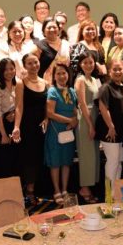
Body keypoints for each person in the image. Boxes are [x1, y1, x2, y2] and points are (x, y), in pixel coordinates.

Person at [12, 53, 48, 205]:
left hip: (41, 127)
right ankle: (27, 192)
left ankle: (33, 190)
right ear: (25, 66)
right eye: (30, 63)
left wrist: (46, 119)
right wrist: (16, 126)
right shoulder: (21, 82)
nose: (34, 66)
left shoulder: (46, 83)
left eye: (36, 62)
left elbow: (47, 106)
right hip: (27, 126)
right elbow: (19, 106)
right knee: (28, 160)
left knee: (39, 158)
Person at [96, 59, 123, 200]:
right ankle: (108, 195)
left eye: (120, 69)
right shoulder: (106, 87)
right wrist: (111, 126)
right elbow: (103, 107)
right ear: (110, 71)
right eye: (114, 69)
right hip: (110, 129)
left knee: (119, 161)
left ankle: (117, 192)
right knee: (112, 161)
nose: (117, 72)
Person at [45, 63, 79, 204]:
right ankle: (56, 190)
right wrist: (70, 120)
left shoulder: (71, 91)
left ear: (68, 74)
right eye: (58, 73)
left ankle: (65, 189)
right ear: (54, 76)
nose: (61, 76)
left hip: (69, 132)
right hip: (55, 131)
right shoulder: (52, 91)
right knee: (55, 162)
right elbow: (50, 113)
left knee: (66, 162)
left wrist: (75, 119)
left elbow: (76, 110)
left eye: (64, 73)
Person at [74, 52, 102, 203]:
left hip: (95, 117)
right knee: (86, 155)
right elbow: (82, 104)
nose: (88, 65)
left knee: (94, 154)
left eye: (91, 62)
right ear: (80, 64)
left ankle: (89, 186)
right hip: (86, 119)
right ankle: (84, 188)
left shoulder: (94, 79)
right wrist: (90, 125)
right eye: (85, 62)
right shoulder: (80, 80)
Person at [0, 58, 19, 179]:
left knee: (16, 161)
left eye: (11, 69)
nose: (9, 72)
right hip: (2, 125)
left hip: (16, 125)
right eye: (5, 70)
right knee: (3, 163)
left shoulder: (18, 84)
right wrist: (3, 135)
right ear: (0, 71)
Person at [32, 17, 70, 84]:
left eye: (54, 27)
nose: (52, 30)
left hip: (64, 83)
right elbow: (31, 67)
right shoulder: (38, 46)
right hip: (44, 84)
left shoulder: (66, 44)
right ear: (43, 30)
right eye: (49, 28)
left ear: (59, 30)